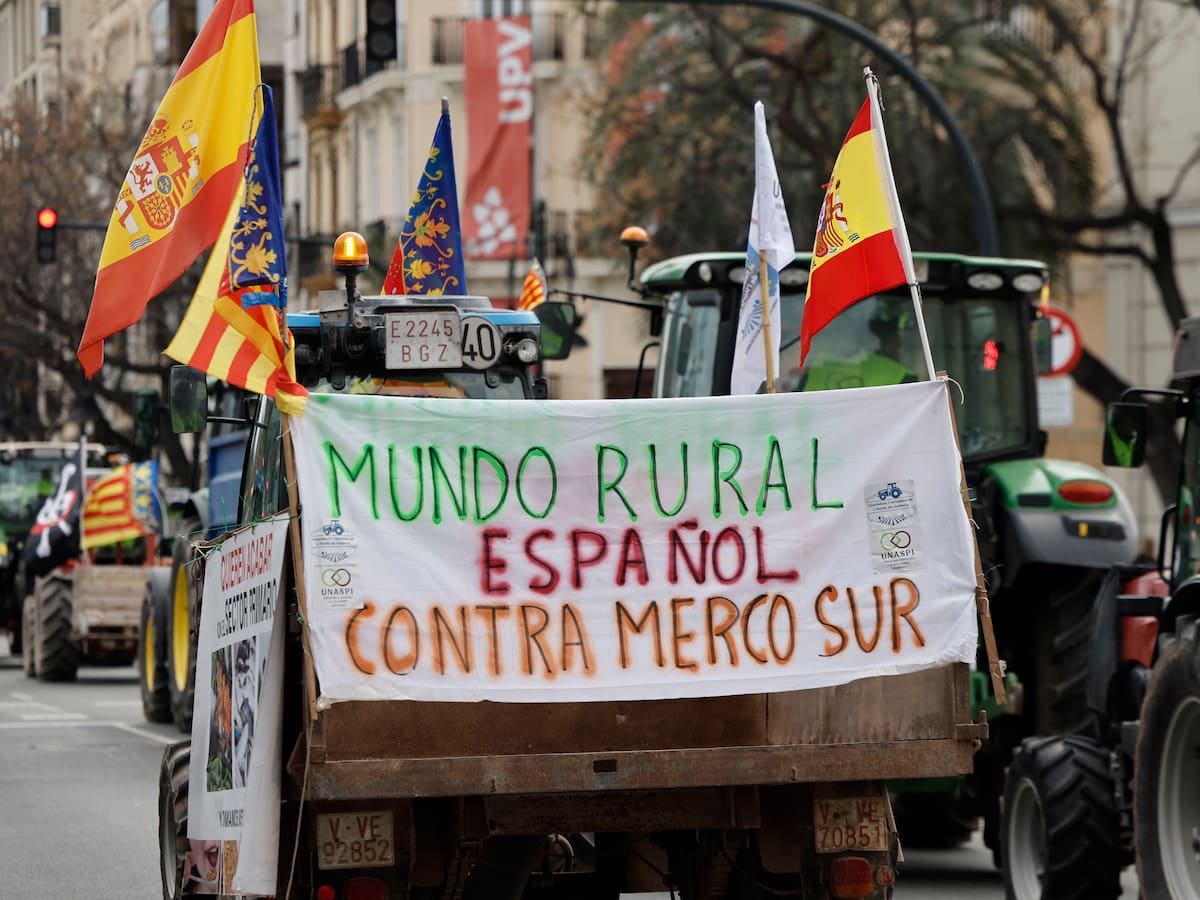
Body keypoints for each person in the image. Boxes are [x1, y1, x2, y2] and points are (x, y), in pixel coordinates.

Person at [797, 304, 918, 391]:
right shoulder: (901, 377)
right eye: (897, 343)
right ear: (886, 344)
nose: (899, 347)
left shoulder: (817, 370)